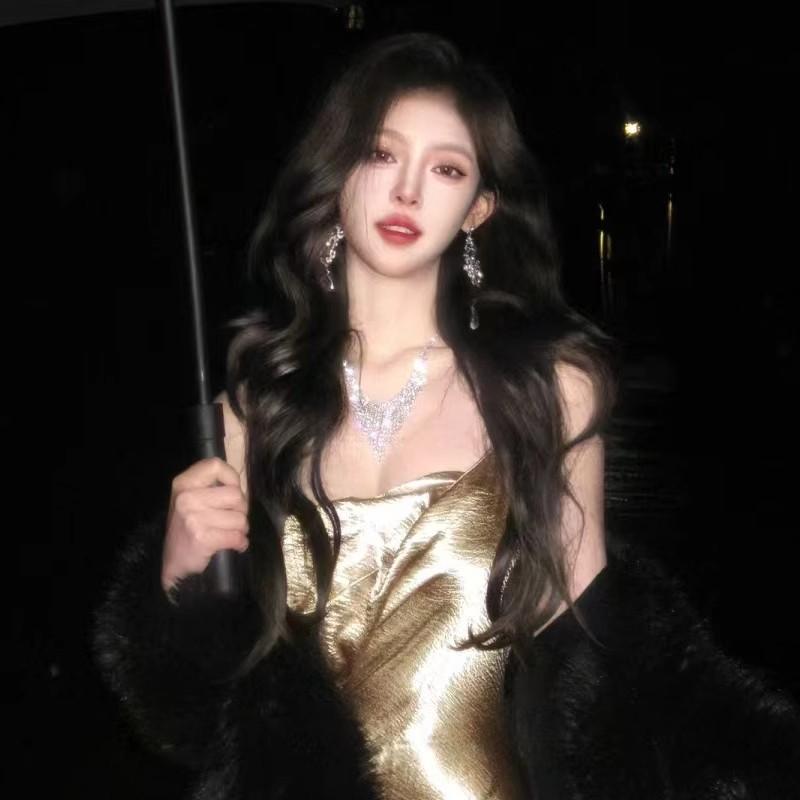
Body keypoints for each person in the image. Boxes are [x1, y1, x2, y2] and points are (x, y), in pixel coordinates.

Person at [93, 32, 800, 800]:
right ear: (338, 171)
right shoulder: (248, 416)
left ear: (478, 208)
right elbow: (198, 726)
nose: (408, 192)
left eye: (447, 169)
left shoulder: (546, 392)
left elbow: (602, 669)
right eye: (381, 154)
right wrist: (177, 585)